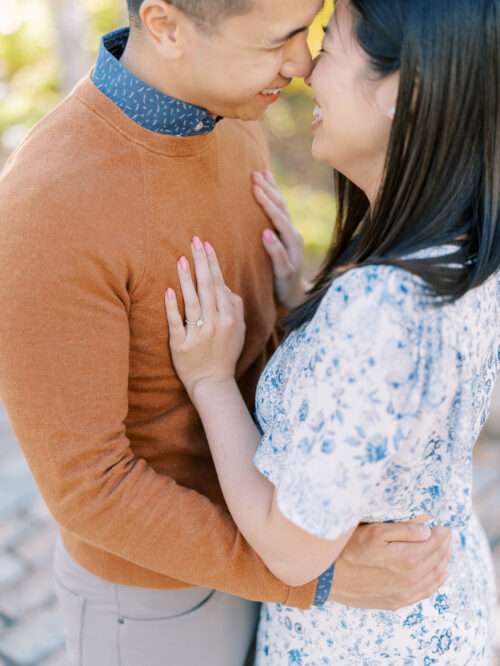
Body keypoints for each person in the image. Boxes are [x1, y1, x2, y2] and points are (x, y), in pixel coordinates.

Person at [0, 1, 451, 664]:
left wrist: (296, 298)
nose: (302, 65)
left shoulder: (233, 110)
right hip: (164, 606)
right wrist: (316, 578)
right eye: (281, 40)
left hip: (277, 549)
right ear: (166, 26)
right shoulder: (45, 211)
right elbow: (89, 489)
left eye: (311, 28)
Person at [164, 0, 500, 663]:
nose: (305, 71)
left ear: (400, 93)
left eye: (329, 47)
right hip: (444, 616)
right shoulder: (464, 243)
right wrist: (311, 306)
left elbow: (291, 550)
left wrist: (209, 381)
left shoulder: (379, 308)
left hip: (360, 644)